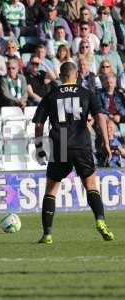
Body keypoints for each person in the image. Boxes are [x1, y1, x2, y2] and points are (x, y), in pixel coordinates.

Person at [32, 61, 114, 244]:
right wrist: (106, 143)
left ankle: (47, 234)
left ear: (61, 76)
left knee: (51, 189)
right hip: (81, 142)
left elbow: (39, 124)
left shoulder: (51, 95)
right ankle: (100, 220)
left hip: (59, 143)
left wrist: (39, 148)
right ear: (76, 76)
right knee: (91, 185)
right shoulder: (86, 93)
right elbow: (100, 117)